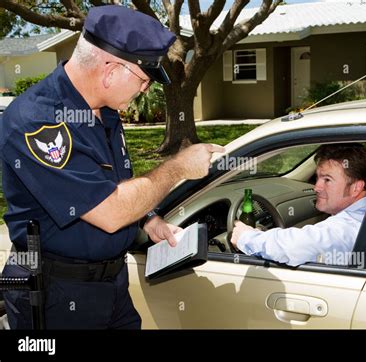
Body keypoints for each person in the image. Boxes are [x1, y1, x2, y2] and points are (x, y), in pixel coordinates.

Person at [0, 5, 224, 329]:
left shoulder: (104, 111)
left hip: (112, 285)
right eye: (144, 80)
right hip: (58, 295)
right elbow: (110, 211)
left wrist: (149, 219)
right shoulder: (37, 121)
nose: (145, 90)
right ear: (110, 70)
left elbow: (117, 181)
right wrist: (177, 167)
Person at [231, 143, 366, 267]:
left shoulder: (347, 228)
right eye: (317, 177)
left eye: (327, 180)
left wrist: (245, 237)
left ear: (356, 187)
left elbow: (296, 246)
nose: (316, 187)